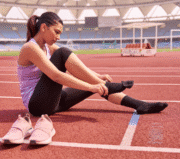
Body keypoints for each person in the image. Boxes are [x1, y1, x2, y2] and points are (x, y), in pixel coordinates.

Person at [1, 12, 168, 145]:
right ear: (44, 27)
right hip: (36, 104)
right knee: (63, 53)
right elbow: (56, 76)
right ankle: (105, 85)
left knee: (75, 64)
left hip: (51, 101)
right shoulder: (29, 47)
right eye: (56, 32)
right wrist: (93, 86)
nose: (58, 36)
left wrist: (97, 76)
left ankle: (139, 105)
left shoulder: (46, 46)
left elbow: (76, 67)